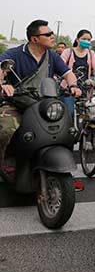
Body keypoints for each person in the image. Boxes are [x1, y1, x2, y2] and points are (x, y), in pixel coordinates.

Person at [0, 19, 82, 175]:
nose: (53, 36)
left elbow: (68, 74)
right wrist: (3, 85)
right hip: (17, 103)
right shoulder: (15, 54)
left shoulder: (52, 56)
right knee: (5, 129)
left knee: (67, 130)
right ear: (35, 39)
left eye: (52, 33)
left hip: (44, 105)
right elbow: (1, 69)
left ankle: (63, 170)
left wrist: (73, 86)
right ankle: (3, 162)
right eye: (48, 34)